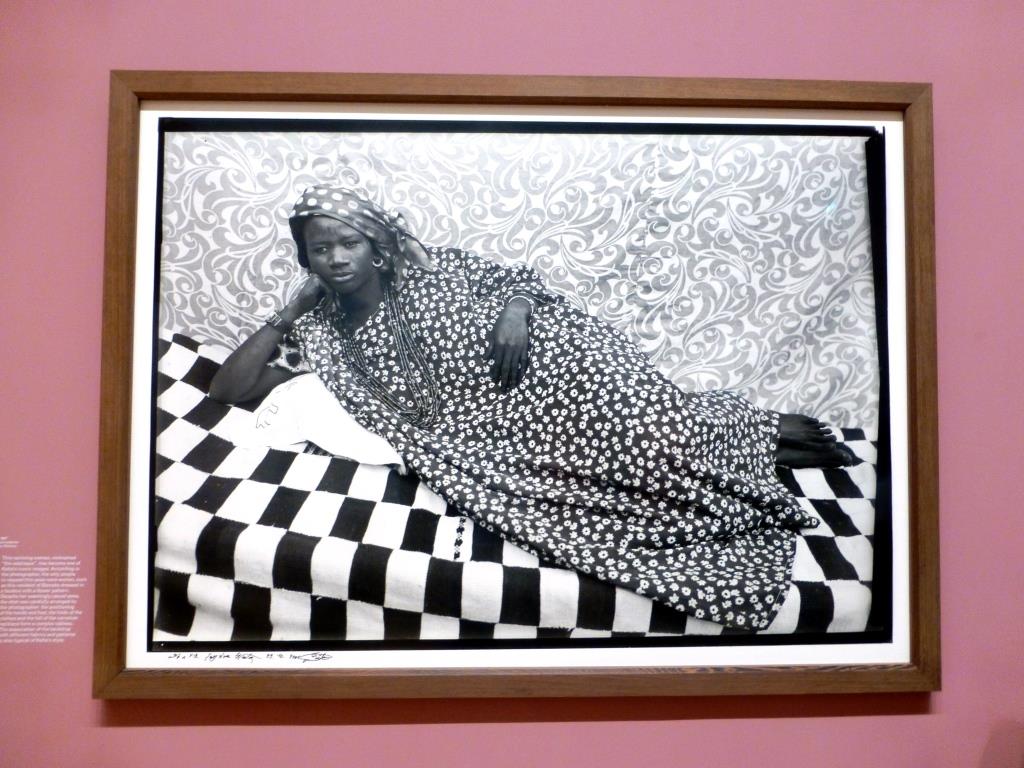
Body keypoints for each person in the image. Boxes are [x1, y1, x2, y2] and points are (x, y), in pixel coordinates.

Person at [210, 185, 854, 631]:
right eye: (320, 249)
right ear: (306, 258)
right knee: (608, 473)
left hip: (551, 361)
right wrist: (291, 309)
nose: (336, 259)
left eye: (347, 243)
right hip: (481, 424)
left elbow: (517, 280)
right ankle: (750, 442)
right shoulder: (319, 330)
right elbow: (228, 390)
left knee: (645, 424)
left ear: (374, 243)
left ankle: (748, 431)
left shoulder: (431, 270)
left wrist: (515, 314)